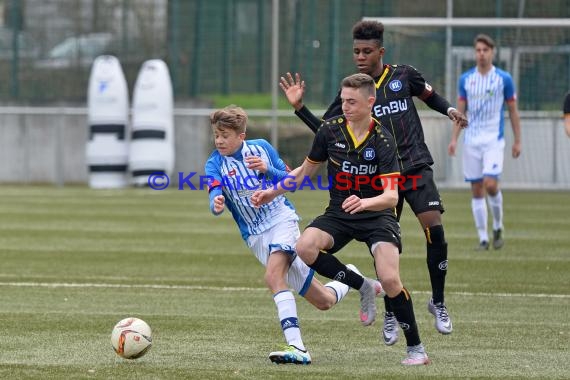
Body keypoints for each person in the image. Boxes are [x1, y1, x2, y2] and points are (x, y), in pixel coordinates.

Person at [279, 20, 467, 346]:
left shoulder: (403, 76)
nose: (361, 56)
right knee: (384, 247)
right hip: (376, 177)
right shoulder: (352, 92)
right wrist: (299, 109)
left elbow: (430, 96)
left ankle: (437, 301)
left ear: (381, 50)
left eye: (367, 51)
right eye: (356, 51)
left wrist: (450, 109)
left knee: (433, 226)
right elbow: (328, 131)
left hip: (414, 165)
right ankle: (392, 307)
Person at [253, 74, 430, 366]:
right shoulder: (330, 131)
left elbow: (391, 197)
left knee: (390, 280)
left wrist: (365, 202)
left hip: (377, 215)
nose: (344, 107)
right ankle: (361, 285)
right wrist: (271, 193)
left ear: (370, 102)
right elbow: (303, 172)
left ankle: (416, 349)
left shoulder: (384, 140)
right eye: (343, 100)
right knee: (305, 246)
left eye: (352, 101)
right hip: (340, 212)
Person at [205, 105, 380, 365]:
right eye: (216, 135)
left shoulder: (262, 147)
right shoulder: (214, 163)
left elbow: (291, 180)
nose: (219, 140)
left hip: (281, 220)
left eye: (224, 135)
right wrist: (216, 202)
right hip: (255, 237)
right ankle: (357, 279)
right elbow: (213, 191)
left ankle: (297, 347)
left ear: (241, 136)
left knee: (273, 276)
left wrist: (266, 169)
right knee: (324, 301)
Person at [448, 34, 522, 251]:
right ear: (475, 53)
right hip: (471, 141)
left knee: (490, 185)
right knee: (477, 189)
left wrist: (518, 141)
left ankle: (498, 225)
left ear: (493, 52)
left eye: (485, 50)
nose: (481, 54)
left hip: (493, 140)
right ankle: (483, 238)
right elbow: (460, 112)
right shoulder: (466, 80)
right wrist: (454, 139)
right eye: (478, 50)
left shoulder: (503, 79)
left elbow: (513, 111)